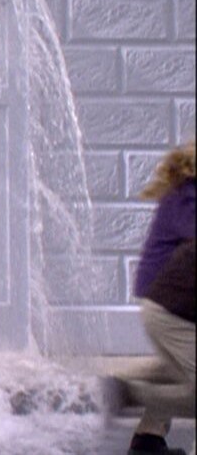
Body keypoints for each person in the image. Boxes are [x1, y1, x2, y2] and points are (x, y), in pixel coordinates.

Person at [105, 142, 195, 455]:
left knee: (178, 367)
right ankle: (124, 392)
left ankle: (147, 438)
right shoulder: (187, 196)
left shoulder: (186, 193)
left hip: (174, 294)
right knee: (186, 371)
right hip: (170, 294)